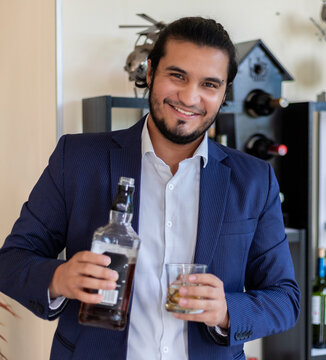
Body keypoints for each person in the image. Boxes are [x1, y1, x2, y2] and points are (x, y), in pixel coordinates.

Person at [0, 16, 300, 360]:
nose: (189, 97)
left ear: (224, 93)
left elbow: (285, 299)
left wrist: (227, 309)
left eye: (209, 85)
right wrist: (59, 278)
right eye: (177, 76)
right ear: (151, 72)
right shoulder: (78, 159)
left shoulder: (254, 180)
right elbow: (11, 262)